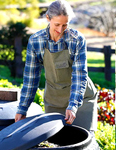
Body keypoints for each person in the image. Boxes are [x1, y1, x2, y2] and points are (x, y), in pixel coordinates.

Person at [15, 0, 97, 135]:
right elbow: (31, 79)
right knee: (55, 141)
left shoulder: (77, 40)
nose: (60, 30)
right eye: (57, 24)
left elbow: (79, 75)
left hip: (81, 99)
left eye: (65, 25)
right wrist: (22, 109)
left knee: (84, 141)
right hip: (54, 100)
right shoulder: (36, 41)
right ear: (48, 18)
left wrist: (73, 105)